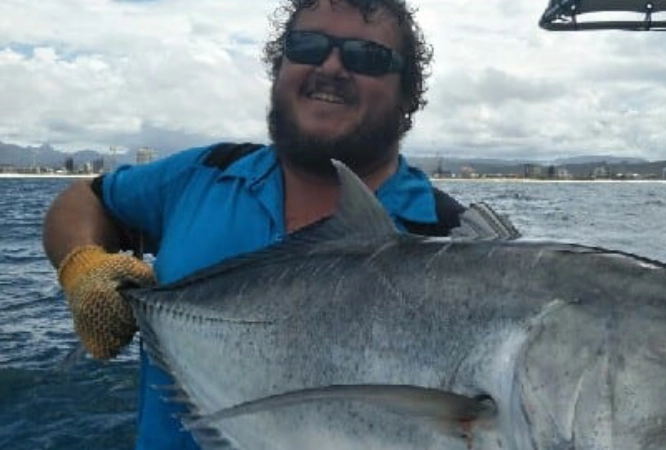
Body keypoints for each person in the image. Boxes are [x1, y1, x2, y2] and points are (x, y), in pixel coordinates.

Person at [42, 1, 516, 448]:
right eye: (307, 46)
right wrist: (83, 265)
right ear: (280, 67)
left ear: (407, 93)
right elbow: (84, 200)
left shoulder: (451, 240)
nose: (331, 67)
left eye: (366, 56)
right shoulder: (202, 174)